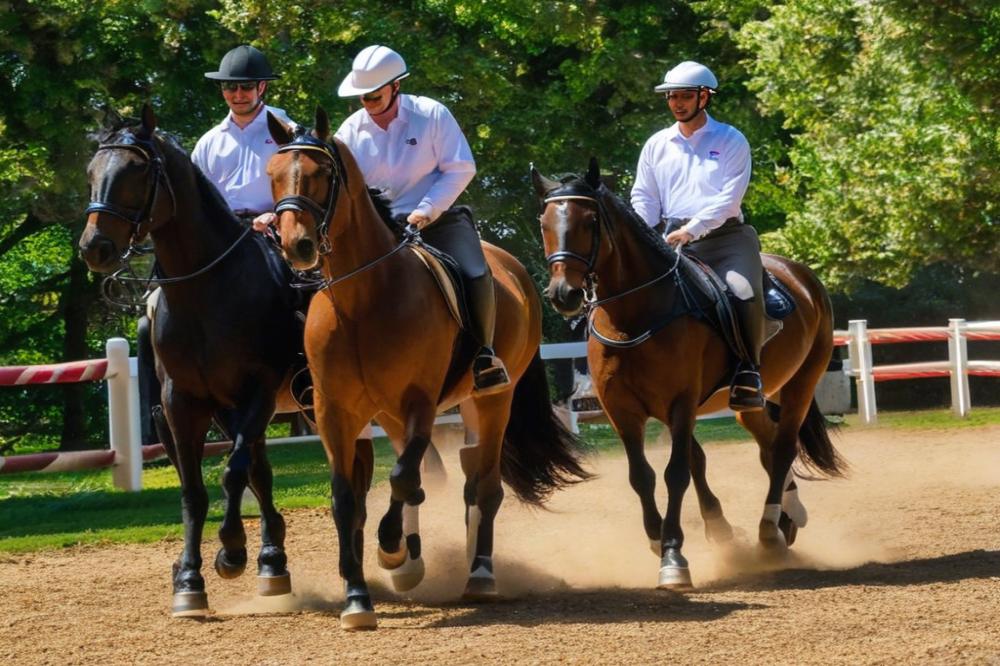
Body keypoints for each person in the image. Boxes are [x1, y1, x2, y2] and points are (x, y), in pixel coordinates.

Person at [333, 44, 510, 394]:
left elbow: (461, 168)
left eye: (374, 95)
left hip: (437, 219)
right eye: (362, 96)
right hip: (378, 229)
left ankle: (484, 355)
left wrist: (426, 210)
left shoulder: (432, 114)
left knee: (475, 272)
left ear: (395, 86)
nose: (367, 103)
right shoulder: (348, 132)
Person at [630, 61, 765, 412]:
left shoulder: (731, 139)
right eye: (672, 96)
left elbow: (729, 198)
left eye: (685, 96)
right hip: (668, 239)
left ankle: (749, 373)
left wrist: (692, 230)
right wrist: (644, 233)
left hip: (725, 238)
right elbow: (644, 196)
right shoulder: (656, 144)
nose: (677, 103)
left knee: (742, 291)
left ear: (704, 97)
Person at [192, 44, 293, 229]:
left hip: (273, 231)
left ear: (261, 87)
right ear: (222, 89)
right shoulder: (208, 142)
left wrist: (278, 214)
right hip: (221, 233)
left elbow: (306, 188)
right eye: (230, 86)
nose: (238, 94)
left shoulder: (289, 133)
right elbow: (194, 195)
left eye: (246, 86)